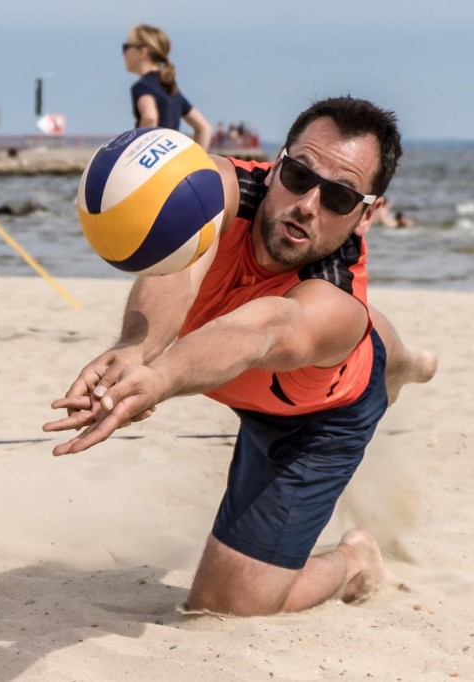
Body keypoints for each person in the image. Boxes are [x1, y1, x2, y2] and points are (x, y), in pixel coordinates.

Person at [43, 96, 437, 616]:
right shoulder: (217, 188)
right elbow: (176, 273)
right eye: (299, 175)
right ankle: (404, 361)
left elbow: (257, 331)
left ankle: (356, 560)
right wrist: (135, 349)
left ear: (368, 214)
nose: (308, 204)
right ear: (277, 162)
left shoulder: (337, 302)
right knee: (358, 337)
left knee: (227, 606)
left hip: (315, 418)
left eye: (340, 198)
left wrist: (159, 378)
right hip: (245, 367)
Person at [123, 23, 212, 149]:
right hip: (171, 160)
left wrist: (137, 150)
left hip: (151, 163)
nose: (123, 53)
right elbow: (204, 127)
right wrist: (198, 161)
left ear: (142, 52)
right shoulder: (170, 88)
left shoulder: (142, 87)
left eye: (126, 47)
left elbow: (150, 117)